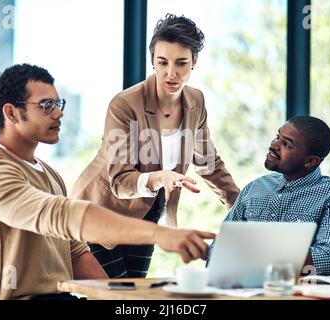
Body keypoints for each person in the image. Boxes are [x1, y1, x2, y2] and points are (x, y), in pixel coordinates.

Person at [0, 63, 215, 300]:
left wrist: (120, 301)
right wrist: (159, 235)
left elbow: (77, 253)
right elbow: (60, 214)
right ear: (11, 113)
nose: (58, 113)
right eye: (47, 105)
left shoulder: (50, 174)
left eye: (59, 104)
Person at [71, 14, 240, 279]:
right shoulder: (124, 105)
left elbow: (209, 164)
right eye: (162, 62)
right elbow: (120, 180)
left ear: (194, 62)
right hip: (100, 210)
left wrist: (242, 207)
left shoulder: (196, 101)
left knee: (136, 292)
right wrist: (160, 177)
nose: (171, 73)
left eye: (181, 63)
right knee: (113, 295)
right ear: (152, 61)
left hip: (147, 211)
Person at [209, 116, 330, 276]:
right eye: (278, 137)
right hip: (239, 290)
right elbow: (220, 245)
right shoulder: (255, 188)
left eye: (286, 144)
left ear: (310, 161)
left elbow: (329, 260)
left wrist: (256, 254)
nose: (274, 145)